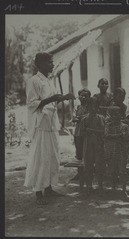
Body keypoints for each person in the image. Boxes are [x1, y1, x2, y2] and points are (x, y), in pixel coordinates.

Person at [24, 52, 65, 205]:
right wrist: (51, 99)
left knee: (52, 156)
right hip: (41, 124)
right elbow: (31, 103)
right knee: (41, 156)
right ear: (39, 64)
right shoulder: (33, 81)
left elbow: (52, 101)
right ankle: (38, 191)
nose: (52, 65)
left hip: (51, 123)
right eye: (49, 62)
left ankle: (48, 188)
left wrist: (62, 98)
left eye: (52, 62)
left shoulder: (48, 81)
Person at [81, 97, 106, 194]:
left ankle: (100, 185)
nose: (93, 108)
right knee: (88, 165)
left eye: (95, 106)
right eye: (91, 106)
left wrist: (92, 131)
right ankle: (89, 186)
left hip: (98, 145)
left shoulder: (101, 118)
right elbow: (82, 133)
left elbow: (103, 132)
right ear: (87, 107)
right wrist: (87, 132)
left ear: (98, 107)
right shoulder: (84, 119)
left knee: (99, 165)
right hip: (88, 145)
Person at [105, 106, 129, 196]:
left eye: (117, 114)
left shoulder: (125, 126)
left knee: (122, 171)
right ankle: (113, 189)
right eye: (113, 115)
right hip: (110, 151)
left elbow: (125, 137)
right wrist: (118, 136)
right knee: (112, 170)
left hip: (121, 151)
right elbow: (106, 135)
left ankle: (124, 189)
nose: (115, 116)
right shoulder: (108, 126)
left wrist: (113, 136)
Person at [71, 88, 90, 181]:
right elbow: (74, 118)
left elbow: (89, 117)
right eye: (81, 95)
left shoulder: (90, 107)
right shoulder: (77, 107)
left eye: (85, 96)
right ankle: (79, 173)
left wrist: (81, 118)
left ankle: (88, 173)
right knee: (79, 153)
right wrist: (79, 118)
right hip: (78, 133)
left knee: (87, 153)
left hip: (87, 133)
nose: (83, 97)